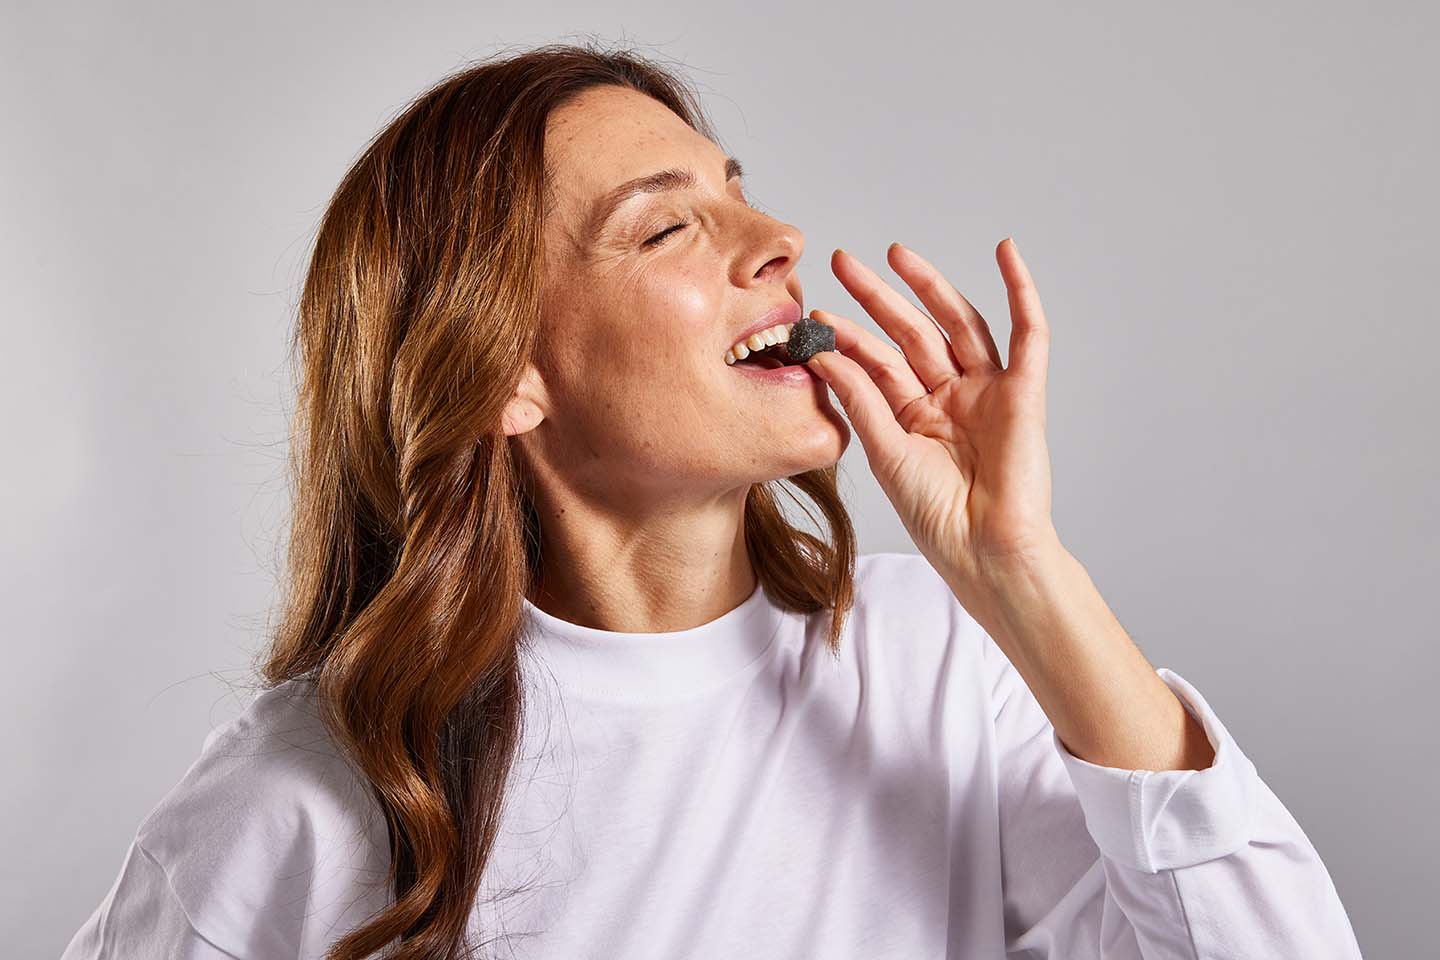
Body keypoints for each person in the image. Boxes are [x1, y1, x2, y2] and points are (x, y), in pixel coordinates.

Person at [60, 42, 1364, 960]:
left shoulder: (942, 666)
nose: (778, 237)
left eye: (736, 187)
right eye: (668, 227)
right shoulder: (323, 786)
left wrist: (1025, 571)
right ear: (507, 373)